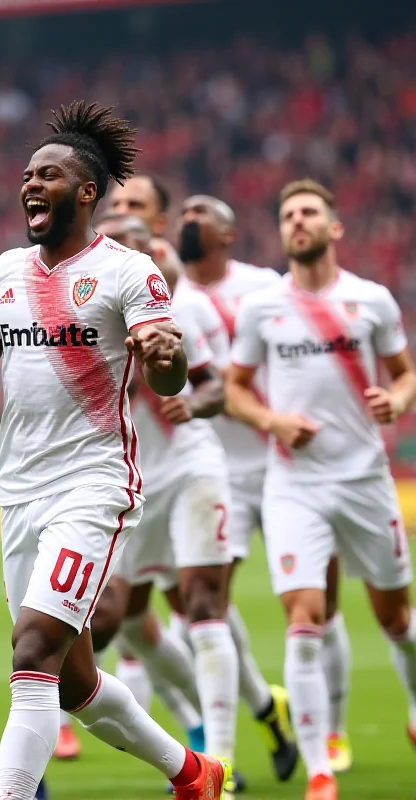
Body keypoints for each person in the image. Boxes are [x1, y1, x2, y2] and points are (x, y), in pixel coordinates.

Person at [0, 101, 231, 800]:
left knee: (32, 649)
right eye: (27, 174)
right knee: (72, 684)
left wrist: (167, 356)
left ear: (87, 191)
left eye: (49, 174)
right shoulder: (2, 275)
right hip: (21, 493)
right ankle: (194, 775)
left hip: (94, 483)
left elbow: (166, 374)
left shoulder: (130, 273)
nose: (31, 184)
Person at [226, 178, 416, 800]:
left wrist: (398, 400)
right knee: (304, 619)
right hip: (294, 487)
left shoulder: (372, 301)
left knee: (396, 620)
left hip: (363, 480)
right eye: (287, 215)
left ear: (334, 227)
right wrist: (272, 421)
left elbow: (405, 375)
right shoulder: (263, 308)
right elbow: (233, 389)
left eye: (309, 212)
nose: (297, 221)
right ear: (281, 231)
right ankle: (320, 771)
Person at [179, 193, 351, 774]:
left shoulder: (262, 287)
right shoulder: (164, 294)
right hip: (215, 469)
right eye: (180, 217)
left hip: (282, 465)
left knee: (317, 603)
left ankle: (333, 731)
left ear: (226, 233)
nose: (186, 224)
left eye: (197, 215)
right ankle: (241, 730)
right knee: (206, 604)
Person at [89, 213, 240, 786]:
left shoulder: (175, 309)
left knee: (202, 602)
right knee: (112, 618)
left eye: (138, 244)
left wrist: (192, 401)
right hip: (126, 481)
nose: (131, 254)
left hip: (189, 468)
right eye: (118, 244)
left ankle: (222, 760)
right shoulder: (82, 317)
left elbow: (216, 384)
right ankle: (200, 721)